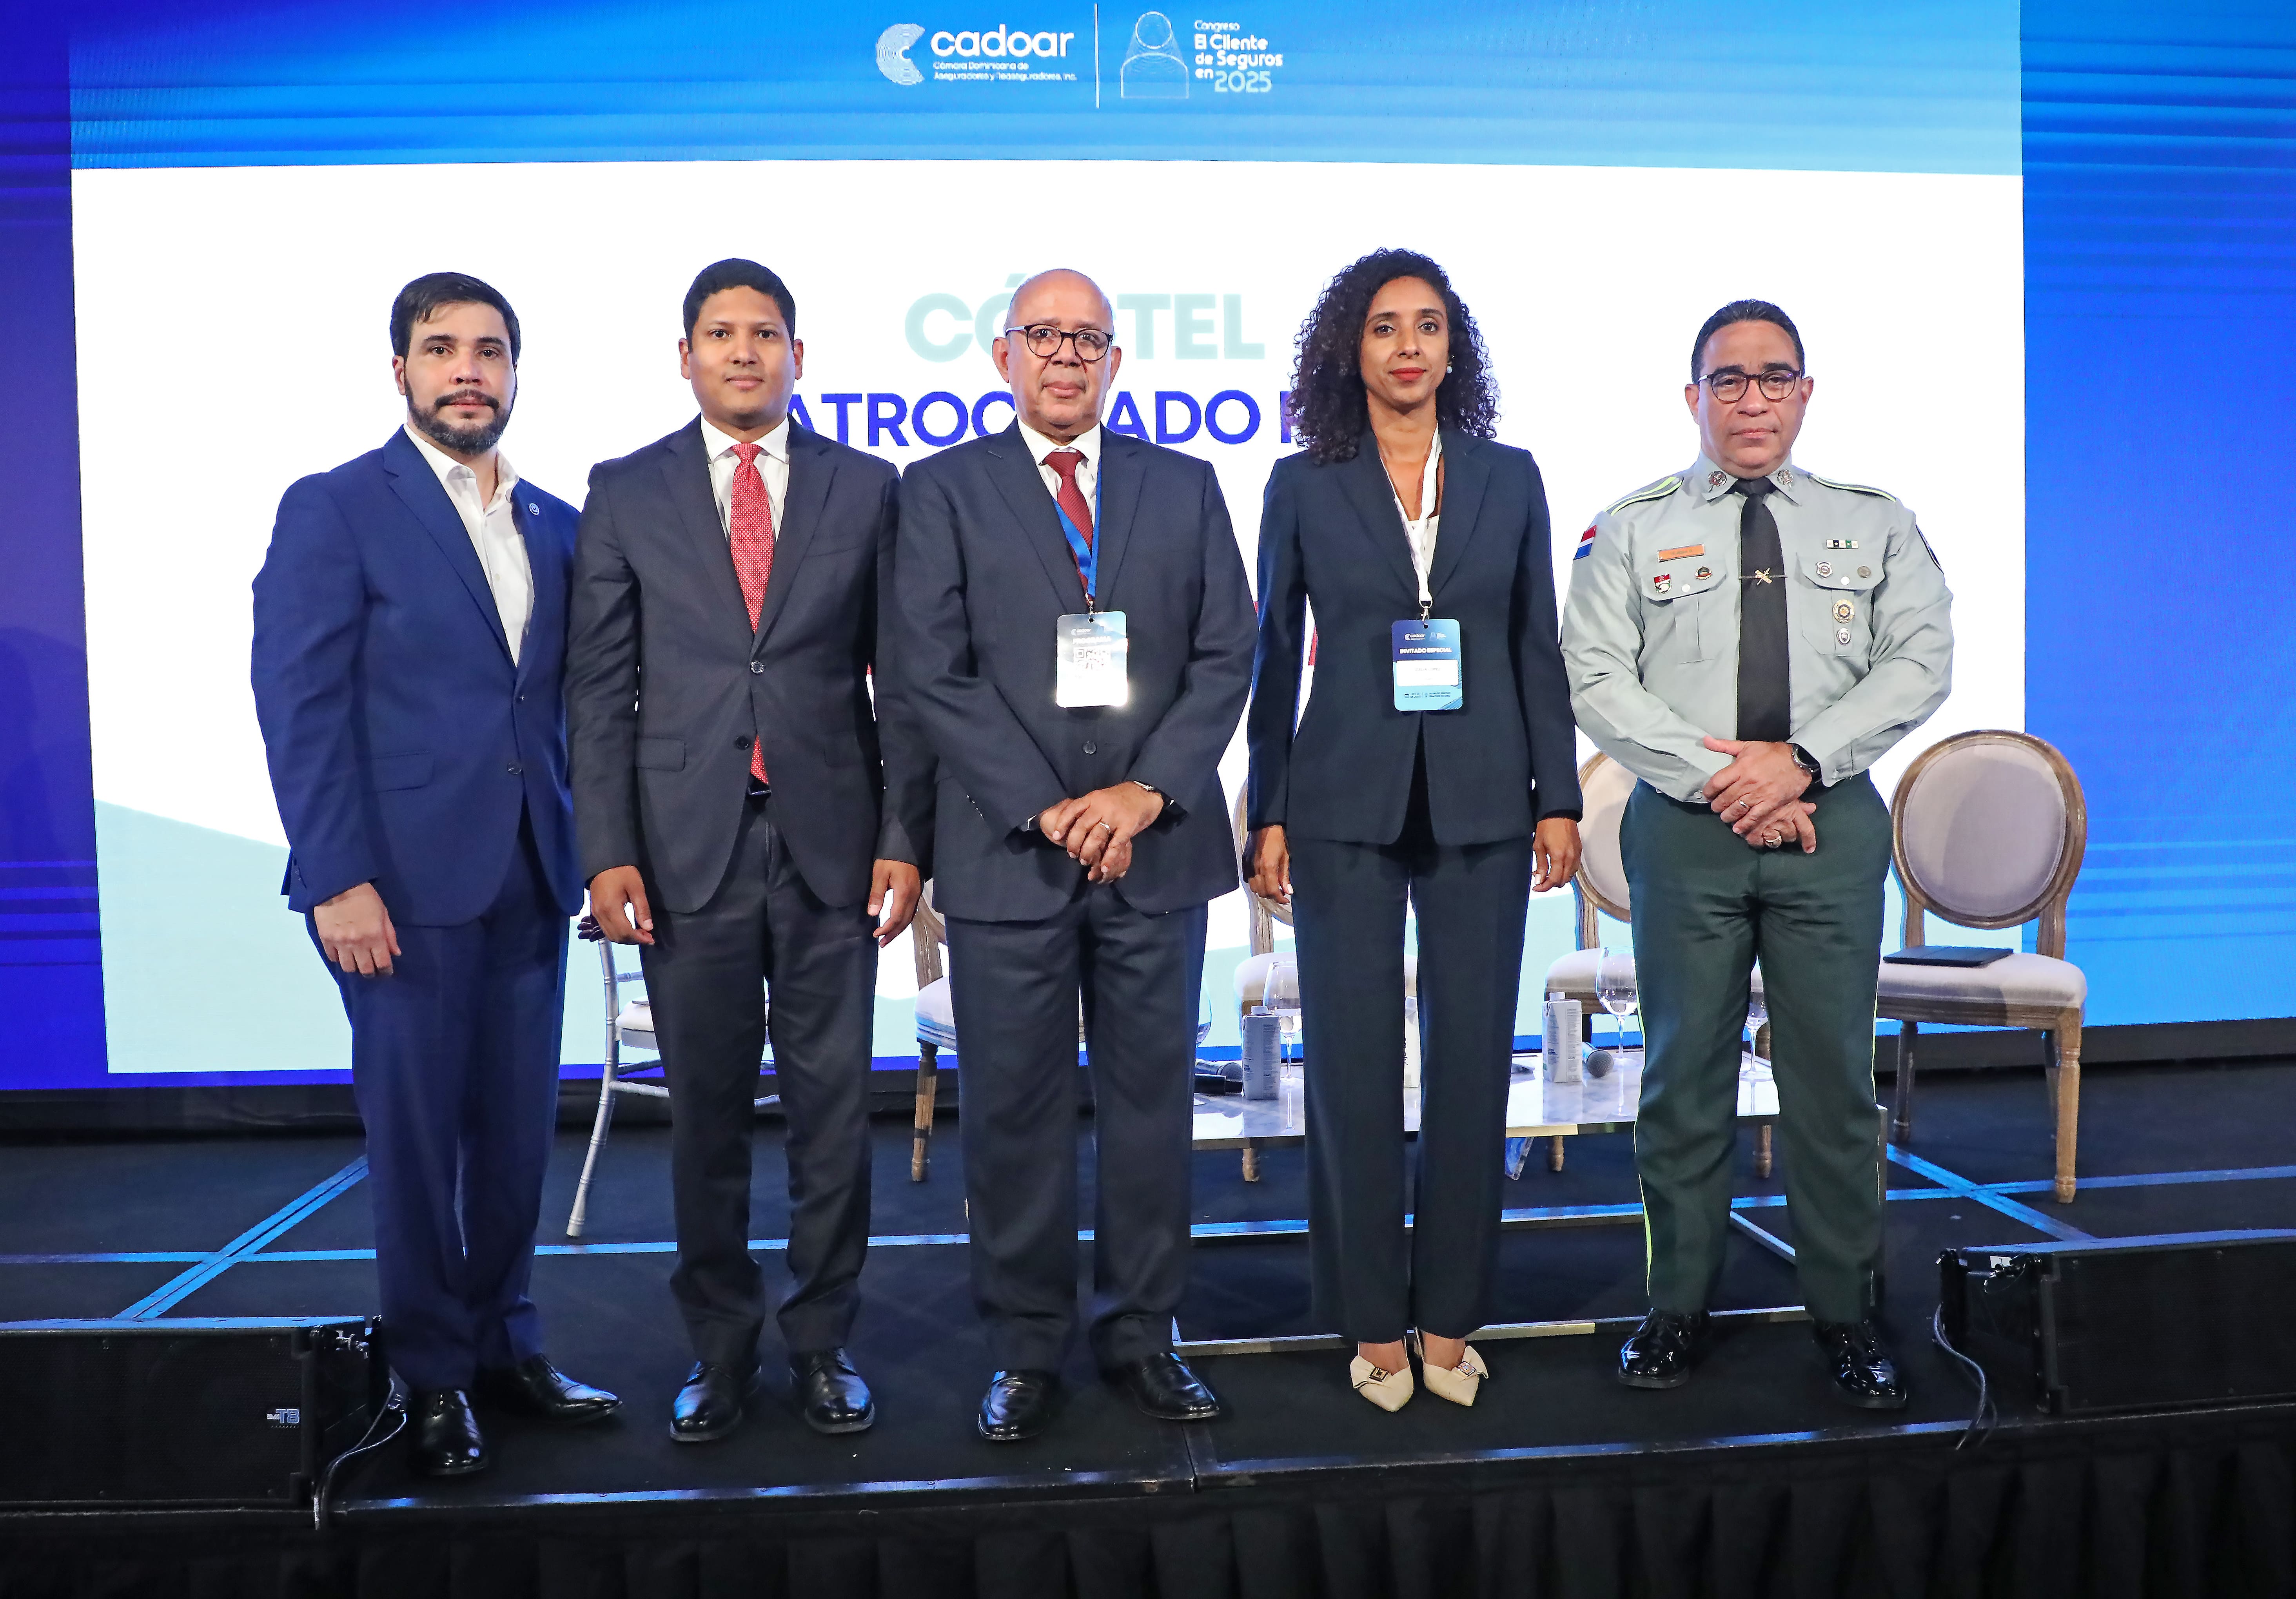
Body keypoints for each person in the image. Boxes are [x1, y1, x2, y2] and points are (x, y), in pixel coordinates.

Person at [252, 273, 619, 1478]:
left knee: (513, 1139)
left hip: (530, 874)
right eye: (442, 348)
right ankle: (430, 1374)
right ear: (400, 371)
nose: (468, 369)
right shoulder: (337, 507)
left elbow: (569, 705)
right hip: (395, 889)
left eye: (490, 350)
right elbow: (298, 703)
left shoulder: (558, 522)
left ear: (514, 372)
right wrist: (335, 876)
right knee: (417, 1145)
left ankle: (507, 1345)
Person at [1562, 298, 1953, 1409]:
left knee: (1831, 1085)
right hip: (1686, 831)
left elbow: (1919, 660)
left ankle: (1845, 1313)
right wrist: (1730, 782)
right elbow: (1595, 676)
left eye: (1773, 377)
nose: (1751, 400)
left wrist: (1799, 765)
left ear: (1805, 393)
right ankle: (1675, 1307)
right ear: (1692, 398)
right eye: (1727, 380)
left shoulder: (1874, 521)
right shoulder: (1628, 528)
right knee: (1682, 1079)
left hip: (1830, 824)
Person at [567, 259, 932, 1444]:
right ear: (685, 358)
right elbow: (597, 691)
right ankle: (718, 1351)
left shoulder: (867, 487)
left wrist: (903, 838)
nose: (743, 352)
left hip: (833, 850)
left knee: (833, 1120)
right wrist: (607, 852)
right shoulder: (625, 491)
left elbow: (903, 685)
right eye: (720, 334)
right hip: (684, 854)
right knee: (708, 1122)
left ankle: (822, 1344)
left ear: (798, 356)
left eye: (764, 334)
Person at [895, 268, 1255, 1443]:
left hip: (1156, 853)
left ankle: (1146, 1335)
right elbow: (932, 670)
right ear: (1002, 354)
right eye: (1043, 336)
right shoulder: (940, 489)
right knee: (1014, 1118)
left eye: (1086, 339)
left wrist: (1144, 793)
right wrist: (1051, 810)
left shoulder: (1183, 484)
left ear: (1115, 360)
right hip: (1012, 855)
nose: (1065, 356)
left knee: (1151, 1113)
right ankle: (1024, 1349)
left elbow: (1226, 652)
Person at [1244, 249, 1583, 1412]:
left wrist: (1556, 797)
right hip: (1340, 800)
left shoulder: (1509, 476)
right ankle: (1371, 1323)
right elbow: (1272, 660)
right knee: (1347, 1068)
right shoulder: (1303, 482)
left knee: (1472, 1063)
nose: (1406, 346)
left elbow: (1534, 644)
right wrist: (1268, 808)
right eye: (1384, 326)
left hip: (1485, 799)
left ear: (1453, 348)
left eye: (1427, 325)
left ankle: (1448, 1316)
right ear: (1352, 348)